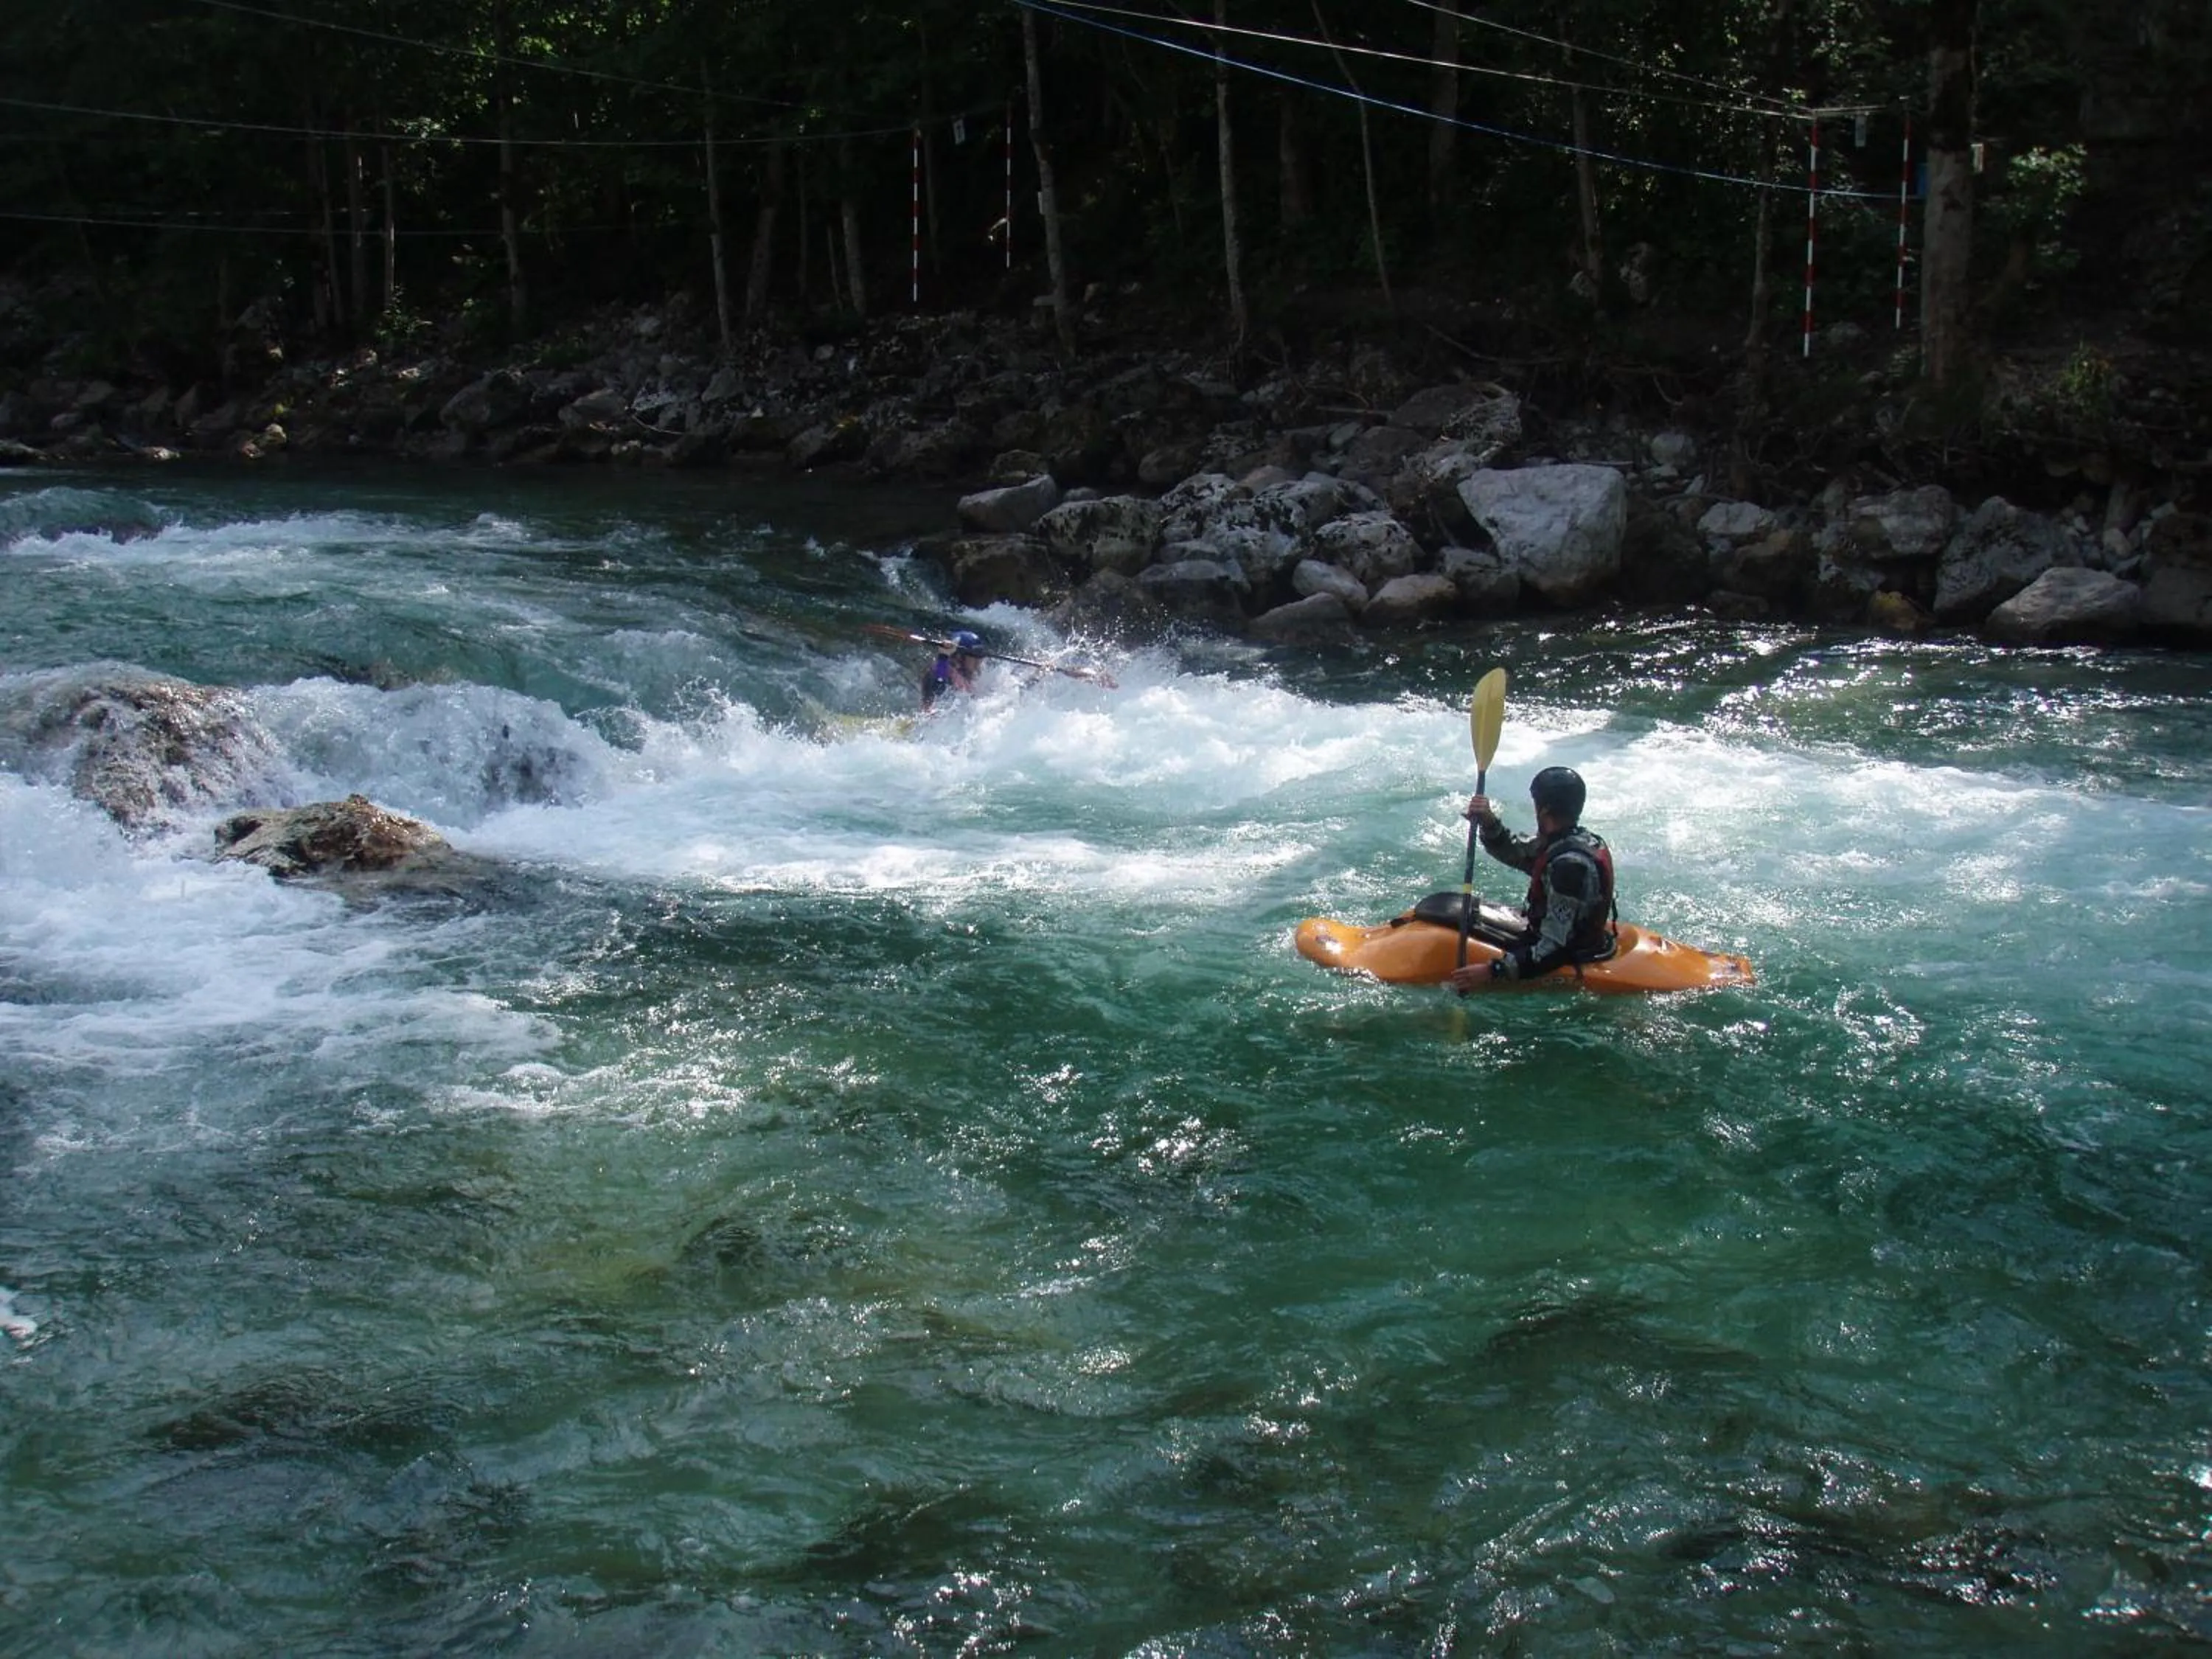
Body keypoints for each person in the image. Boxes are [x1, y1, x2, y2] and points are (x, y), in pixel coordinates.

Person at [1446, 764, 1616, 990]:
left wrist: (1493, 971)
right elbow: (1516, 853)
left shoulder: (1569, 867)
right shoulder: (1574, 841)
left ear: (1544, 810)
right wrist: (1488, 822)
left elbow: (1556, 949)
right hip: (1566, 936)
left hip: (1571, 952)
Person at [919, 630, 987, 712]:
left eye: (980, 657)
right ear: (959, 657)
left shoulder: (967, 677)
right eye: (975, 657)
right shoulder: (942, 672)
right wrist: (943, 656)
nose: (979, 661)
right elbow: (939, 693)